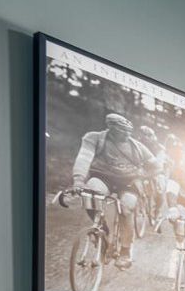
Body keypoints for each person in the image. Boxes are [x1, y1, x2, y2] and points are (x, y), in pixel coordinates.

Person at [66, 113, 160, 269]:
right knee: (91, 193)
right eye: (122, 133)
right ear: (111, 128)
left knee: (127, 207)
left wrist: (143, 176)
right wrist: (78, 180)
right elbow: (84, 158)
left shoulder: (137, 147)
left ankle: (125, 251)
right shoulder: (95, 138)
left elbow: (157, 167)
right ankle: (102, 230)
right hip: (102, 176)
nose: (126, 136)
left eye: (128, 133)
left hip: (129, 182)